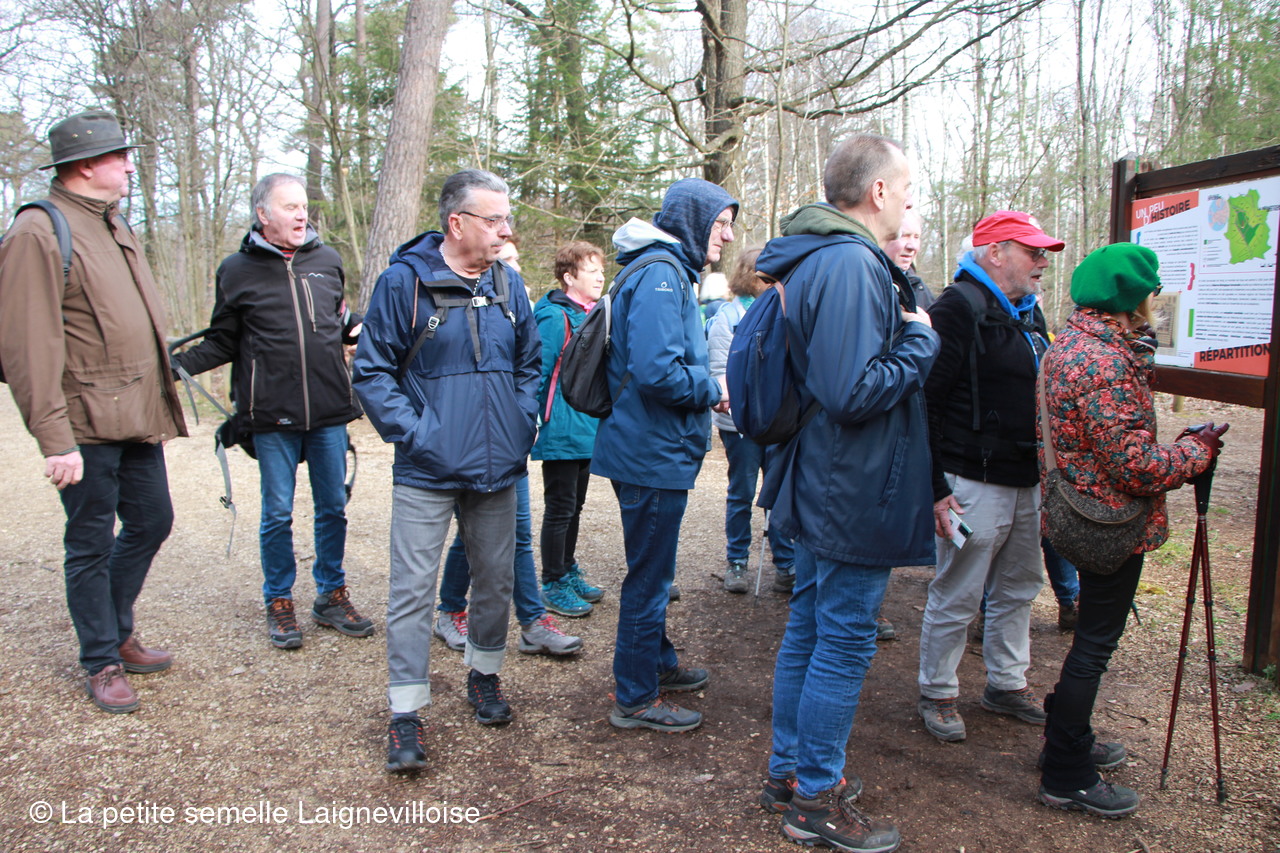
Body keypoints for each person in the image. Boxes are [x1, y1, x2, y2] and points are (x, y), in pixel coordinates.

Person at [757, 133, 938, 853]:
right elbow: (850, 390)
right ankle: (815, 798)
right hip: (851, 484)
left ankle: (791, 773)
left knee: (811, 628)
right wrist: (921, 341)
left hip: (829, 476)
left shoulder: (823, 256)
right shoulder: (851, 262)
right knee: (841, 640)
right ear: (879, 192)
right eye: (908, 190)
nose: (910, 204)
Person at [353, 169, 540, 772]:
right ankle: (405, 713)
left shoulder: (508, 284)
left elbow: (530, 365)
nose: (505, 230)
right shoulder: (403, 283)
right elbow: (372, 372)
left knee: (496, 579)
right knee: (412, 591)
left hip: (499, 464)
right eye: (494, 219)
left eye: (507, 218)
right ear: (456, 223)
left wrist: (521, 422)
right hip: (426, 469)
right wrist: (419, 435)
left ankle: (483, 675)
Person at [0, 110, 188, 712]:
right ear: (85, 165)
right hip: (82, 423)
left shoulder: (113, 223)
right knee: (90, 541)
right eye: (120, 157)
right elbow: (26, 344)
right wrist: (55, 439)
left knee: (153, 520)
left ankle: (116, 626)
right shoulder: (38, 230)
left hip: (134, 414)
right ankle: (102, 658)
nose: (131, 166)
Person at [1037, 243, 1224, 818]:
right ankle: (1066, 770)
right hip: (1108, 524)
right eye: (1149, 292)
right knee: (1094, 644)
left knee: (1090, 640)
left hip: (1077, 512)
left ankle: (1066, 734)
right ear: (1131, 298)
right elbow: (1135, 465)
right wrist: (1196, 451)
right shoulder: (1103, 362)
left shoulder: (1070, 344)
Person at [172, 173, 372, 649]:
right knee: (277, 513)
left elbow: (341, 321)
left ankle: (331, 594)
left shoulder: (327, 260)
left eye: (304, 207)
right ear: (263, 214)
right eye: (290, 207)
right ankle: (279, 600)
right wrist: (170, 367)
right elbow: (223, 340)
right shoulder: (236, 270)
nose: (302, 215)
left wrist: (368, 329)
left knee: (333, 508)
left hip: (328, 409)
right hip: (270, 414)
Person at [592, 177, 738, 733]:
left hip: (650, 446)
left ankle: (657, 663)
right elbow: (657, 372)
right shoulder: (661, 273)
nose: (726, 236)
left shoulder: (665, 268)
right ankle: (635, 696)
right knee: (650, 578)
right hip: (649, 450)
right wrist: (712, 387)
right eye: (719, 224)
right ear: (692, 221)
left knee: (653, 568)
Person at [916, 210, 1062, 743]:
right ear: (995, 252)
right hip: (970, 483)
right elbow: (926, 402)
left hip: (1025, 479)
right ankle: (937, 691)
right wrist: (936, 490)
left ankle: (1006, 683)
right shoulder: (958, 307)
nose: (1042, 261)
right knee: (958, 591)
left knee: (1020, 587)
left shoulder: (1028, 313)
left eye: (1044, 252)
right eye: (1032, 251)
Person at [706, 247, 795, 594]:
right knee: (742, 492)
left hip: (778, 422)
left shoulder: (785, 310)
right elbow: (720, 372)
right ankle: (737, 561)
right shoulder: (727, 317)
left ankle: (785, 563)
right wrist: (738, 406)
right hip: (740, 423)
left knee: (779, 491)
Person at [531, 241, 608, 616]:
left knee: (574, 506)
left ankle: (567, 568)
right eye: (592, 271)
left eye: (602, 270)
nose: (600, 277)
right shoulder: (553, 317)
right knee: (560, 508)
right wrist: (531, 422)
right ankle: (552, 581)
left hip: (587, 427)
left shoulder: (593, 314)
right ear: (569, 277)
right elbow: (538, 373)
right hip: (560, 428)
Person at [882, 208, 933, 308]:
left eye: (916, 237)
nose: (912, 246)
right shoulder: (869, 281)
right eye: (904, 236)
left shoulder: (920, 289)